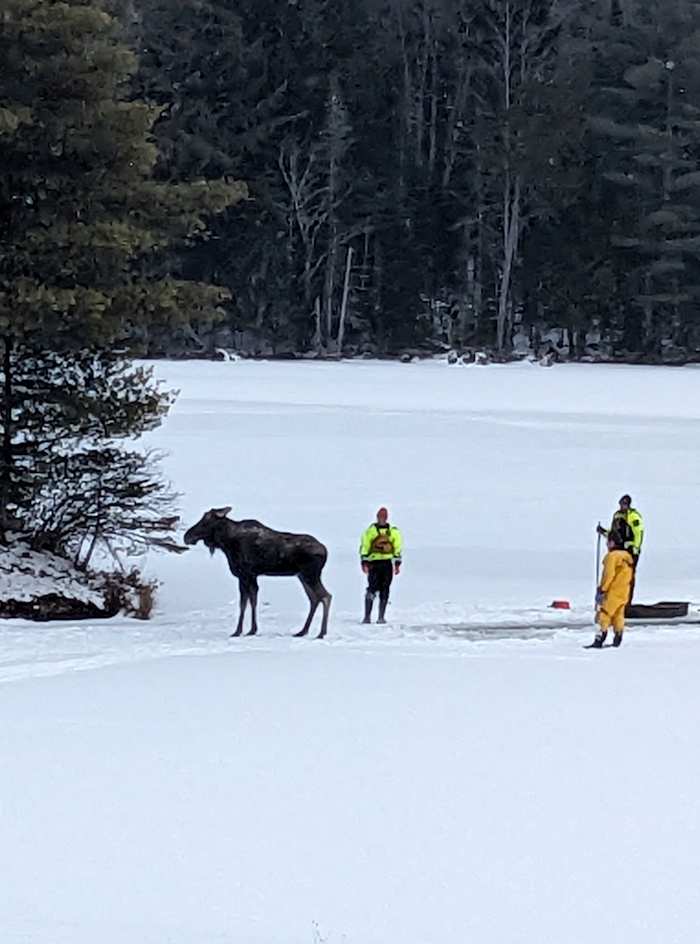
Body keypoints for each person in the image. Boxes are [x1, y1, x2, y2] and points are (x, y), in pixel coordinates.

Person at [590, 531, 635, 648]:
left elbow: (608, 575)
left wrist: (602, 589)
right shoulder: (627, 557)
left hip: (612, 592)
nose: (606, 544)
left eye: (608, 542)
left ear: (612, 543)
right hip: (624, 591)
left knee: (604, 614)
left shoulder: (612, 557)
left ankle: (600, 638)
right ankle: (618, 636)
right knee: (618, 615)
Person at [597, 494, 644, 601]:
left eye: (624, 504)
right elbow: (614, 533)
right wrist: (603, 532)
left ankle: (626, 601)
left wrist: (635, 547)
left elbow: (638, 533)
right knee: (614, 575)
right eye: (621, 504)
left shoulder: (633, 516)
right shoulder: (617, 515)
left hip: (629, 550)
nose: (622, 506)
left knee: (627, 576)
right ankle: (612, 600)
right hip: (618, 549)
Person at [359, 507, 402, 624]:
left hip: (387, 563)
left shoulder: (393, 531)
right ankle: (367, 616)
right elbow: (365, 546)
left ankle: (381, 617)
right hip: (374, 563)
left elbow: (397, 547)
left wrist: (397, 564)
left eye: (384, 516)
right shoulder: (370, 531)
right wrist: (364, 562)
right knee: (371, 588)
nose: (382, 518)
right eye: (380, 516)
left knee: (385, 589)